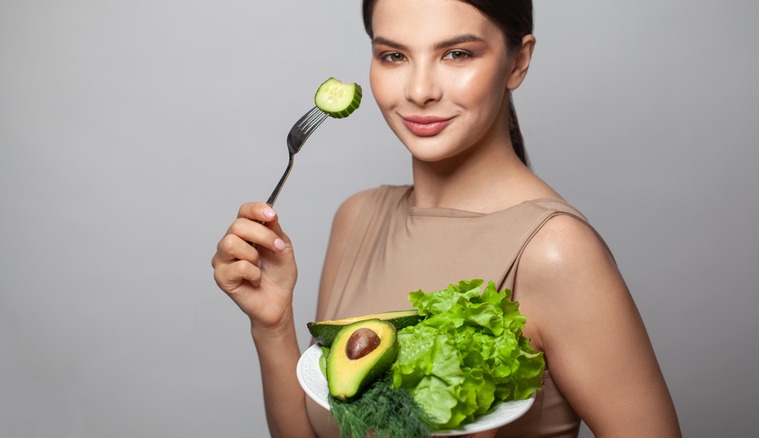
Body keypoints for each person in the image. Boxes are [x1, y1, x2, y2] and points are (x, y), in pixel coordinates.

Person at [211, 0, 682, 436]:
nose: (419, 91)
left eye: (457, 54)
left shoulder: (556, 252)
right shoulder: (356, 219)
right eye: (394, 56)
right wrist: (271, 327)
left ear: (517, 62)